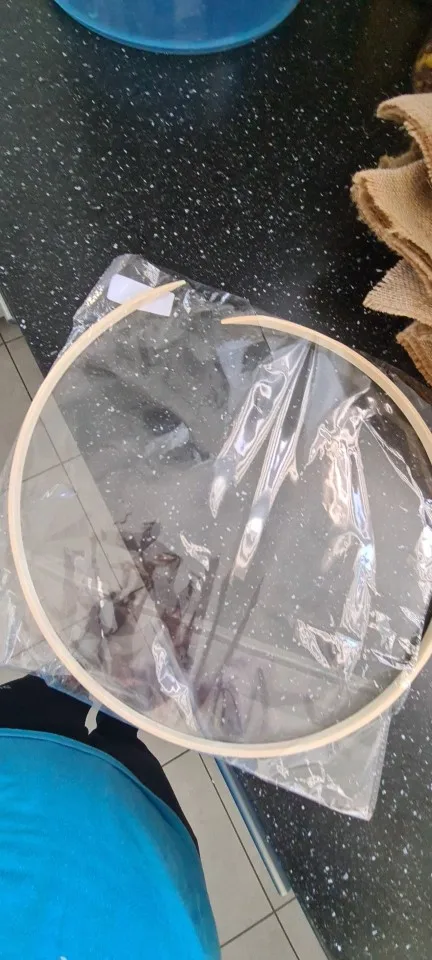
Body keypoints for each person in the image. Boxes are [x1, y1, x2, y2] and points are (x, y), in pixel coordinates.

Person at [0, 674, 220, 959]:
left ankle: (134, 685)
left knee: (117, 728)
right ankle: (129, 675)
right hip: (27, 773)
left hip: (149, 858)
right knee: (79, 680)